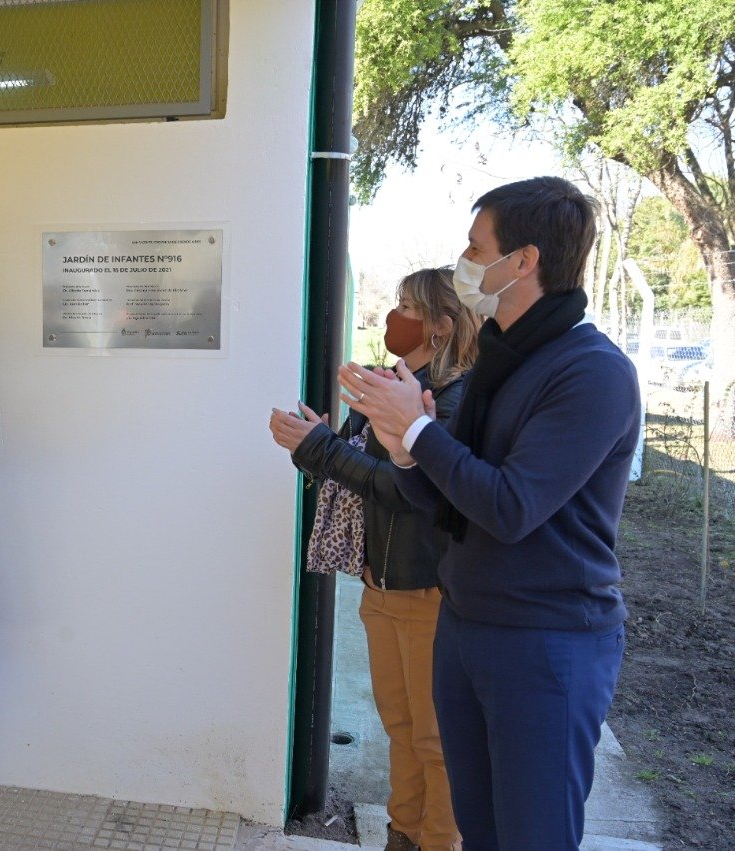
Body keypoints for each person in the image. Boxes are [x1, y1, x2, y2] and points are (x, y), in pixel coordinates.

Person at [340, 177, 639, 850]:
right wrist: (403, 448)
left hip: (547, 640)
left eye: (476, 247)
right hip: (469, 622)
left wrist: (418, 436)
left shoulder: (591, 372)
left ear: (524, 260)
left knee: (531, 834)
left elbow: (510, 507)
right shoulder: (500, 363)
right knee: (480, 829)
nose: (464, 261)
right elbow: (447, 502)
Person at [271, 268, 477, 851]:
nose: (395, 315)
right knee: (401, 729)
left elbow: (413, 490)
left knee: (436, 739)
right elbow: (350, 470)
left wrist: (324, 451)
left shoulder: (456, 397)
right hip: (380, 583)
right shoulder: (390, 384)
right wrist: (312, 442)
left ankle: (439, 840)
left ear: (440, 325)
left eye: (409, 304)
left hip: (429, 587)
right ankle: (402, 832)